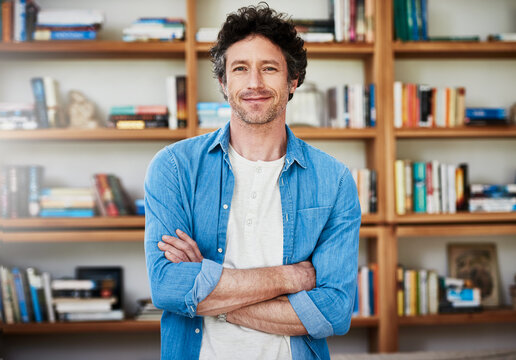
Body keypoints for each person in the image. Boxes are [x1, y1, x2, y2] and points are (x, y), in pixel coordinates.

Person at [144, 4, 361, 359]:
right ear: (223, 82)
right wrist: (288, 278)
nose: (254, 83)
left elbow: (333, 311)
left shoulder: (333, 180)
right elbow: (168, 287)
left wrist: (210, 295)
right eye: (240, 69)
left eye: (269, 68)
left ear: (293, 80)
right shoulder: (174, 167)